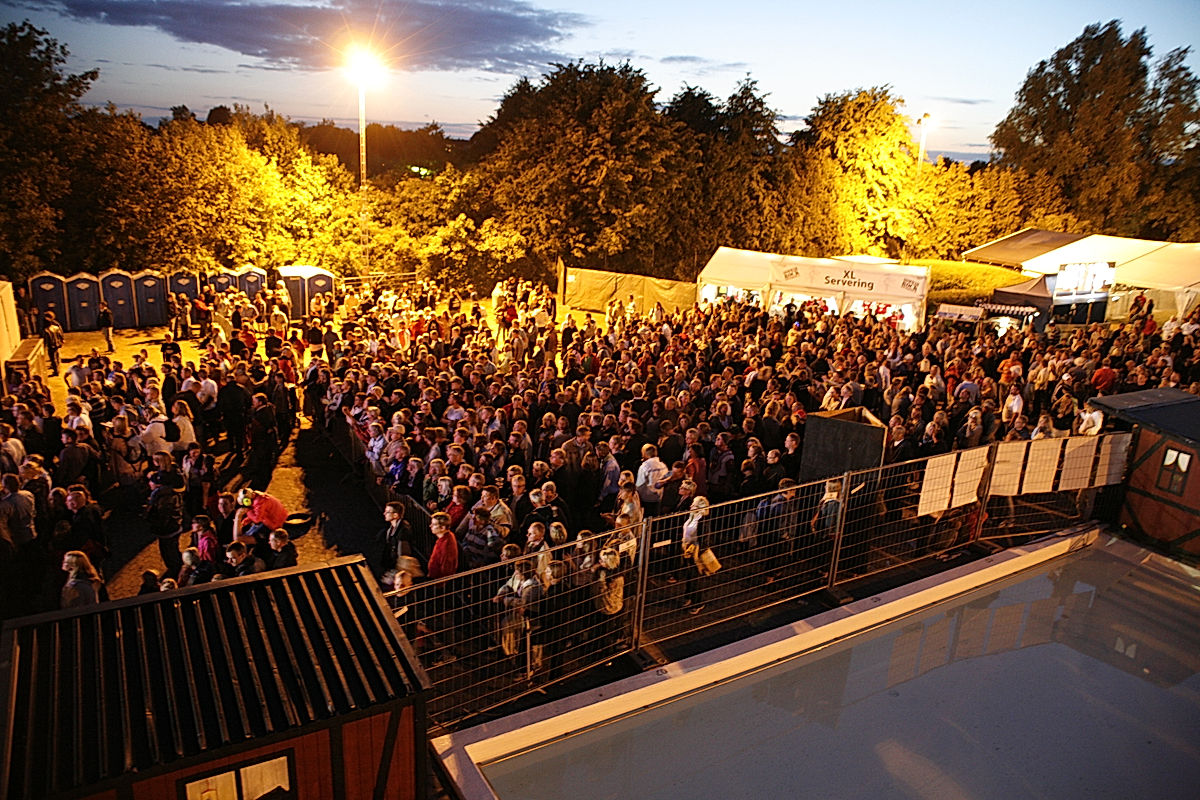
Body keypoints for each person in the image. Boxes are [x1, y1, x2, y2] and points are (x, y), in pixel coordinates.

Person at [375, 500, 414, 575]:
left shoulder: (403, 531)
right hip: (392, 566)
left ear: (395, 515)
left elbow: (403, 553)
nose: (384, 514)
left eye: (387, 512)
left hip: (398, 568)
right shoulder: (391, 529)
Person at [41, 311, 65, 376]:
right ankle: (58, 368)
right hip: (57, 344)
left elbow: (46, 339)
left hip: (51, 345)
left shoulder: (46, 330)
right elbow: (60, 334)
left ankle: (56, 371)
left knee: (53, 358)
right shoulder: (56, 327)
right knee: (57, 356)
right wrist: (61, 340)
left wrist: (44, 347)